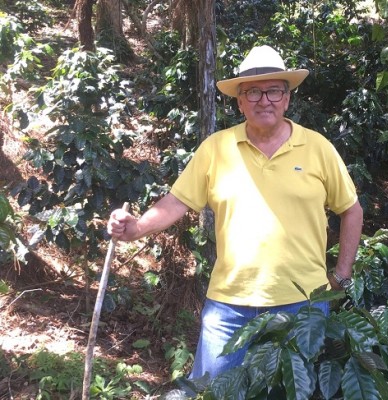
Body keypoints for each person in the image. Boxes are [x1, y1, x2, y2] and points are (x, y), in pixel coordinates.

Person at [107, 44, 364, 380]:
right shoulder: (216, 148)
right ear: (240, 101)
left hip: (304, 305)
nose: (264, 100)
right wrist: (136, 228)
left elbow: (351, 210)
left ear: (287, 99)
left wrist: (341, 275)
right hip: (230, 304)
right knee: (211, 389)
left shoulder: (318, 148)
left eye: (274, 90)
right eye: (253, 92)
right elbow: (177, 201)